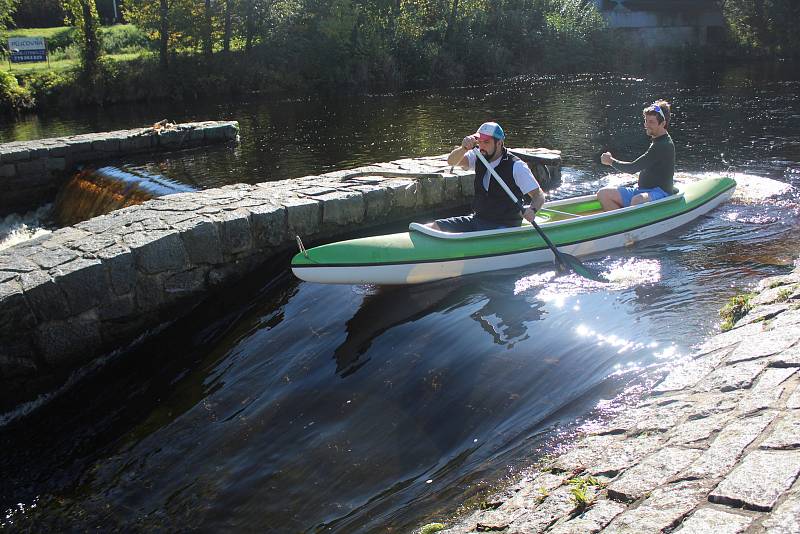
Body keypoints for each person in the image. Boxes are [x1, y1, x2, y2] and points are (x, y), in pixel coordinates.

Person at [430, 122, 545, 232]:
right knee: (434, 226)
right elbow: (451, 161)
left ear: (499, 143)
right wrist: (463, 148)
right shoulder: (478, 155)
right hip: (479, 220)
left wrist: (532, 210)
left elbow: (538, 195)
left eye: (486, 142)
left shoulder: (516, 166)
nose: (482, 146)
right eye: (479, 142)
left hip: (504, 226)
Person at [597, 100, 676, 211]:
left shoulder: (663, 145)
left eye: (651, 122)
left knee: (637, 200)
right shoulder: (657, 140)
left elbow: (633, 168)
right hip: (641, 190)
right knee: (603, 194)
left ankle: (627, 224)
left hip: (660, 193)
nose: (646, 125)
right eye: (646, 120)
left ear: (663, 124)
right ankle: (620, 223)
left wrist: (610, 161)